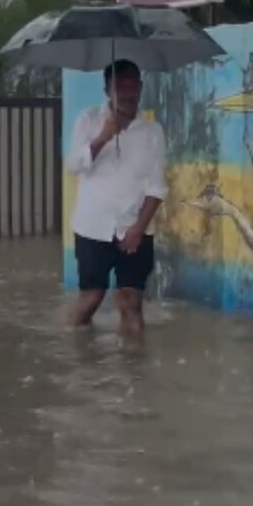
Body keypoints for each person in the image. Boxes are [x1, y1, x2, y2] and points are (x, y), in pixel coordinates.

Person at [65, 59, 168, 333]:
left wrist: (138, 228)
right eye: (120, 84)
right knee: (91, 298)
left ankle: (135, 371)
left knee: (131, 302)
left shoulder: (152, 132)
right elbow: (73, 165)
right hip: (92, 226)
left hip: (134, 227)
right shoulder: (88, 120)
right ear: (106, 88)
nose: (128, 90)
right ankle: (76, 356)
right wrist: (102, 137)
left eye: (133, 83)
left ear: (141, 87)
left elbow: (157, 188)